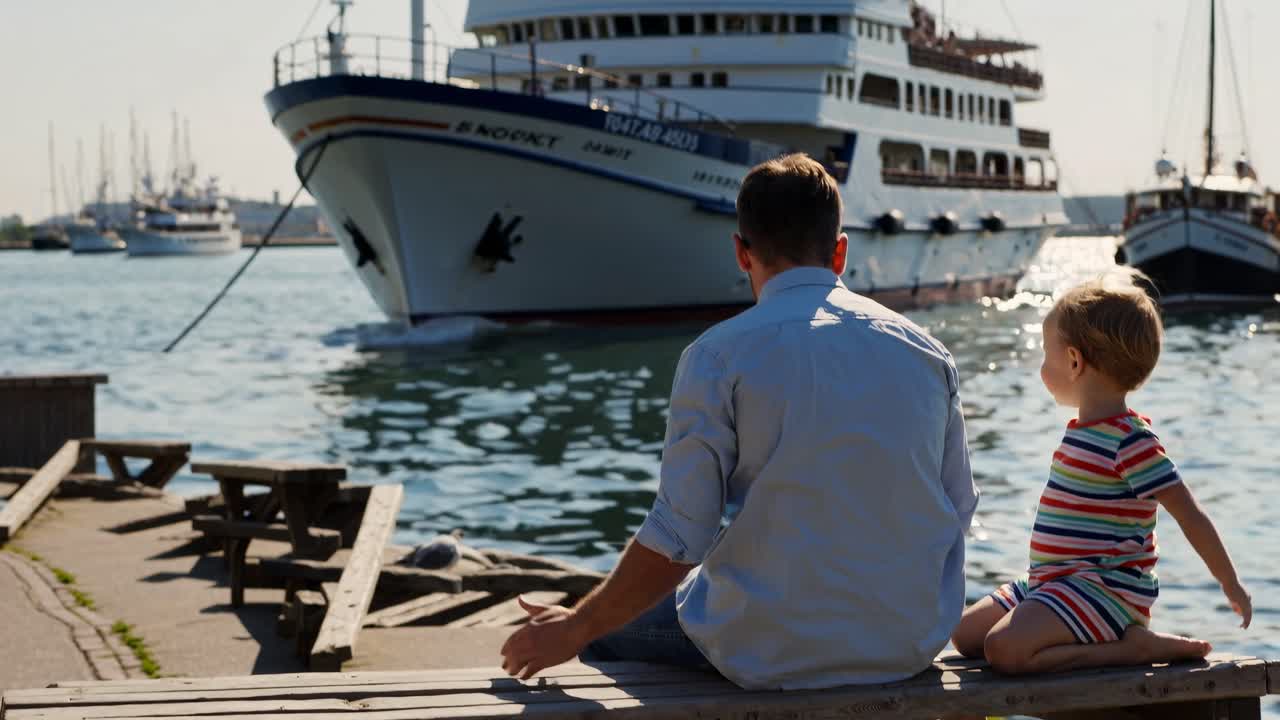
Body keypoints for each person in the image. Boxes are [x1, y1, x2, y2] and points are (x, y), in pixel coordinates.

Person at [500, 153, 979, 690]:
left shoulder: (717, 355)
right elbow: (958, 506)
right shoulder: (926, 352)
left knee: (606, 634)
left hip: (767, 649)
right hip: (907, 642)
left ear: (740, 252)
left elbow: (681, 535)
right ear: (840, 252)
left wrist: (577, 626)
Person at [950, 272, 1253, 675]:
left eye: (1046, 354)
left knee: (1003, 651)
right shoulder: (1082, 432)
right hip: (1054, 582)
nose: (1041, 367)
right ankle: (1087, 635)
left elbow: (1189, 513)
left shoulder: (1131, 440)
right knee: (965, 635)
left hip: (1104, 592)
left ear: (1074, 361)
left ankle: (1131, 648)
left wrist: (1229, 581)